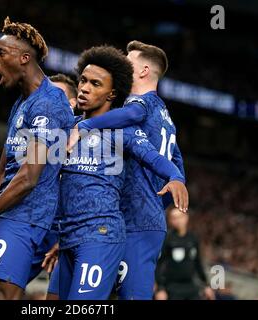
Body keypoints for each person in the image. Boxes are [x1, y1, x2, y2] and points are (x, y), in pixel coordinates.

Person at [55, 45, 188, 300]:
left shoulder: (136, 107)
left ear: (144, 70)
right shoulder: (167, 118)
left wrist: (86, 126)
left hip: (135, 220)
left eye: (128, 62)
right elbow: (176, 166)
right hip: (127, 219)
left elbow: (136, 118)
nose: (123, 66)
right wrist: (161, 197)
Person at [0, 17, 74, 300]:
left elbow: (28, 177)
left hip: (23, 220)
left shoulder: (50, 103)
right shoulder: (22, 104)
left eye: (0, 53)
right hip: (0, 218)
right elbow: (2, 172)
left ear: (24, 58)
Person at [155, 207, 215, 300]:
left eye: (180, 217)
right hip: (172, 287)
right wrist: (160, 288)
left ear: (186, 217)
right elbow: (159, 264)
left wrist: (206, 285)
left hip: (191, 286)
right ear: (170, 220)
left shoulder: (193, 238)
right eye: (174, 218)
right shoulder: (167, 239)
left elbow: (198, 263)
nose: (178, 220)